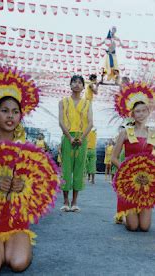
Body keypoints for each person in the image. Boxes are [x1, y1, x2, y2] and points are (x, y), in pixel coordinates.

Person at [0, 65, 40, 272]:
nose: (10, 116)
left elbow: (38, 191)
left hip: (16, 218)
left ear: (21, 116)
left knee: (18, 264)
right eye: (4, 111)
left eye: (15, 112)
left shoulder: (28, 152)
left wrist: (24, 185)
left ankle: (23, 245)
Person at [111, 82, 155, 230]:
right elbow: (113, 158)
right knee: (133, 227)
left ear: (148, 112)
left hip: (147, 183)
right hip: (128, 183)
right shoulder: (125, 133)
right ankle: (124, 215)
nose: (140, 114)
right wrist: (127, 173)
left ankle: (136, 211)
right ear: (132, 114)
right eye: (137, 111)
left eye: (143, 111)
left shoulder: (154, 135)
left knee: (145, 227)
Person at [58, 75, 93, 212]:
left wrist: (82, 137)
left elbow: (91, 123)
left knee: (79, 168)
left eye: (80, 82)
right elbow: (61, 121)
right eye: (74, 82)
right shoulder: (63, 102)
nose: (77, 84)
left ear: (84, 86)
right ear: (70, 85)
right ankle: (65, 201)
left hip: (82, 137)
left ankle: (74, 201)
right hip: (67, 137)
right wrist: (70, 137)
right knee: (66, 168)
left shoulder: (87, 103)